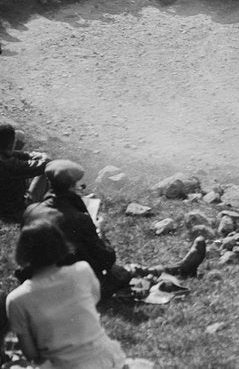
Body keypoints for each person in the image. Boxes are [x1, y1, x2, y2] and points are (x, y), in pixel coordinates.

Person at [23, 160, 206, 297]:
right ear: (72, 186)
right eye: (79, 186)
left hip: (37, 284)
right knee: (124, 271)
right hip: (68, 290)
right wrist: (99, 230)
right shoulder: (79, 219)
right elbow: (106, 259)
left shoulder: (32, 211)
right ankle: (180, 269)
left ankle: (176, 269)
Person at [6, 220, 129, 369]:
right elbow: (93, 300)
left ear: (21, 252)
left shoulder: (16, 299)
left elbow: (31, 354)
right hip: (107, 360)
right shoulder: (82, 270)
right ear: (61, 245)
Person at [0, 124, 49, 224]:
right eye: (14, 143)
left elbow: (13, 154)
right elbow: (44, 164)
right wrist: (42, 156)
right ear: (10, 146)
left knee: (19, 135)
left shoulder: (5, 158)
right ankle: (48, 201)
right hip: (16, 212)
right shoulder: (11, 165)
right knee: (44, 172)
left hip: (4, 203)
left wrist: (26, 155)